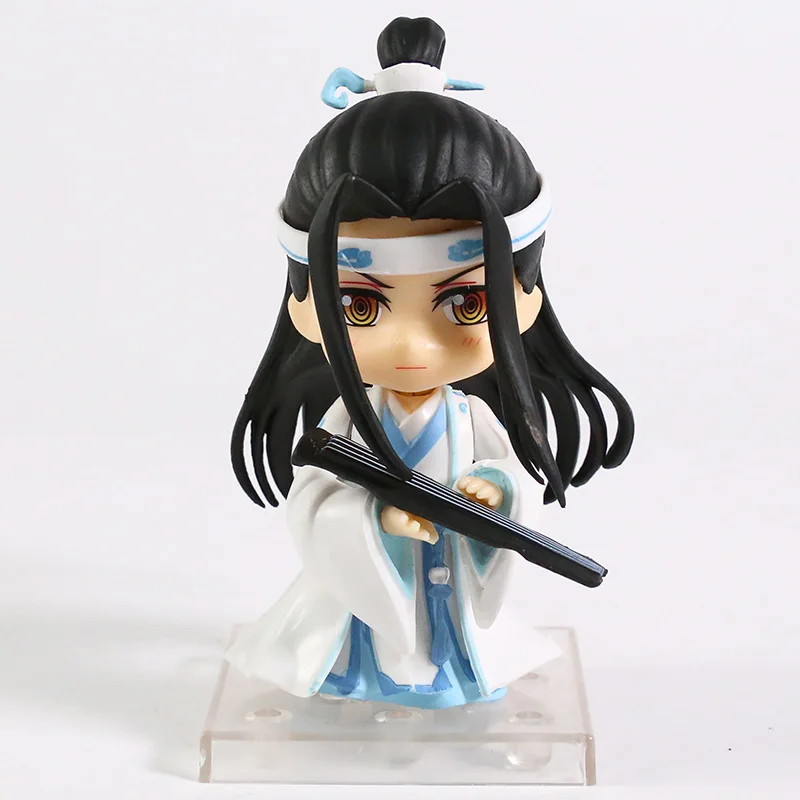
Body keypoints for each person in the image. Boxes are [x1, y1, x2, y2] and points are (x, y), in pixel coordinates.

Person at [226, 16, 634, 709]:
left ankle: (451, 674)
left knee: (451, 632)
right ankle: (361, 677)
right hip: (373, 594)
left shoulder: (471, 421)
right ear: (304, 306)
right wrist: (371, 521)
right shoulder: (343, 427)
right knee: (365, 633)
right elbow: (314, 506)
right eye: (359, 306)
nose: (413, 346)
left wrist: (496, 493)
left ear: (526, 298)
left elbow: (508, 481)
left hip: (451, 576)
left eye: (466, 302)